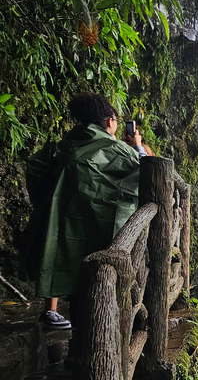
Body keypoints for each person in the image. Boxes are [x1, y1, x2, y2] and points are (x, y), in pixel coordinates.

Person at [25, 93, 152, 329]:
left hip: (64, 220)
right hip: (96, 225)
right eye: (115, 119)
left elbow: (37, 168)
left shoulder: (67, 143)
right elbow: (147, 173)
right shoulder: (115, 149)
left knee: (68, 262)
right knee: (94, 280)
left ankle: (59, 320)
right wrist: (138, 147)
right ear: (108, 122)